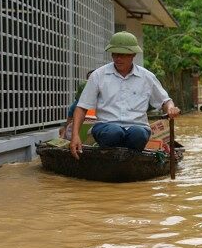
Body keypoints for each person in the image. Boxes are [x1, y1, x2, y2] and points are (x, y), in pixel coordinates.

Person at [69, 31, 180, 159]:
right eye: (115, 54)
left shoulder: (147, 77)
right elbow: (82, 107)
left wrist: (171, 109)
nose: (118, 58)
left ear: (133, 55)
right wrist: (75, 136)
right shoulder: (98, 75)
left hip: (138, 128)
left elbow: (165, 101)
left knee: (137, 134)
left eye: (122, 55)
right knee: (114, 133)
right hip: (106, 128)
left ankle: (130, 159)